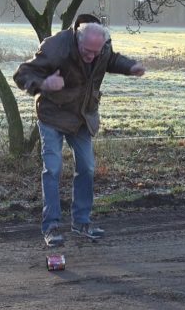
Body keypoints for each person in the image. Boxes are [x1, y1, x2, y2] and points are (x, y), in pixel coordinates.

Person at [13, 13, 146, 247]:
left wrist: (130, 67)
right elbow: (22, 74)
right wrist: (44, 84)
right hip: (53, 115)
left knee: (87, 167)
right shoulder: (56, 46)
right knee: (53, 169)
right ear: (77, 39)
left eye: (96, 52)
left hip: (82, 117)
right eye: (87, 51)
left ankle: (81, 221)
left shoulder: (101, 48)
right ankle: (51, 226)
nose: (91, 56)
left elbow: (111, 60)